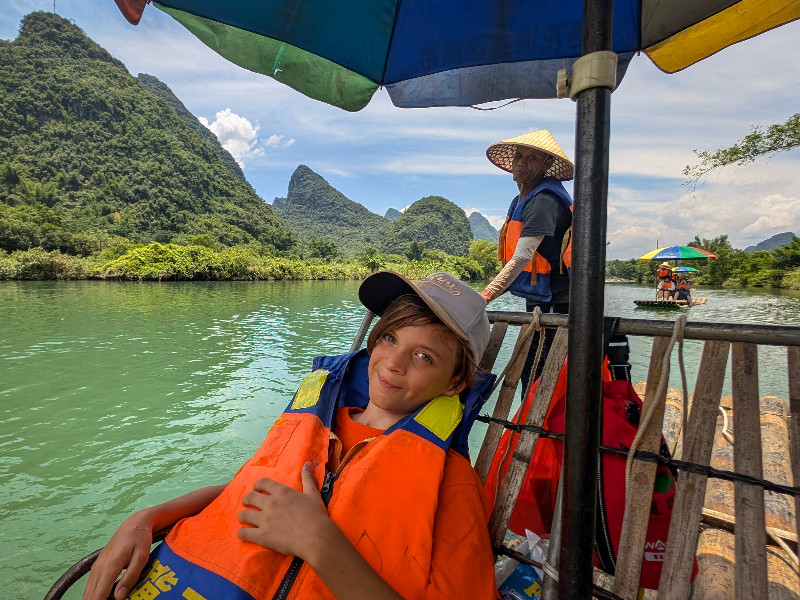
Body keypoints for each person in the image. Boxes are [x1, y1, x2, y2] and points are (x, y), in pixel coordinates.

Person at [83, 271, 497, 600]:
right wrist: (146, 518)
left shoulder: (452, 484)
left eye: (424, 356)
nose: (393, 362)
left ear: (455, 383)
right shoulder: (318, 423)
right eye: (389, 337)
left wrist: (319, 543)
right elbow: (252, 489)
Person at [480, 129, 573, 396]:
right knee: (530, 367)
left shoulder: (543, 201)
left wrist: (485, 296)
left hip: (559, 301)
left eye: (532, 158)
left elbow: (522, 256)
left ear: (546, 165)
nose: (521, 162)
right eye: (519, 156)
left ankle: (538, 430)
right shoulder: (521, 199)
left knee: (542, 371)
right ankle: (528, 426)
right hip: (540, 299)